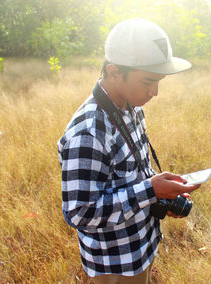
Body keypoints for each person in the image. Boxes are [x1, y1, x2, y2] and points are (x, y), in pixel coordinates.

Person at [57, 18, 200, 284]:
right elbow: (79, 213)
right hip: (114, 264)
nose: (155, 92)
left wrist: (161, 196)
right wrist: (151, 191)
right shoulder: (88, 133)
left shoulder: (132, 107)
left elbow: (133, 174)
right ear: (113, 71)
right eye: (148, 81)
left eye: (159, 82)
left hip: (139, 249)